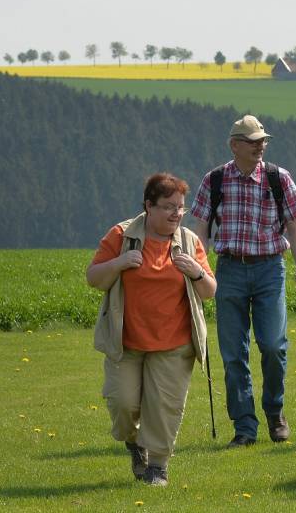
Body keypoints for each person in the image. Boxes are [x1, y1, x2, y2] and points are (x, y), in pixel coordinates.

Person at [189, 114, 296, 448]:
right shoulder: (214, 180)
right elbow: (200, 229)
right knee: (233, 354)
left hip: (270, 268)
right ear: (235, 145)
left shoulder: (278, 178)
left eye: (263, 141)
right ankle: (244, 427)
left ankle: (275, 411)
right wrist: (199, 270)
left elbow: (295, 226)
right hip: (228, 270)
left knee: (273, 345)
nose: (260, 146)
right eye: (253, 141)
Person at [87, 172, 217, 486]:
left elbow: (210, 290)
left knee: (165, 408)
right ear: (148, 206)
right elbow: (94, 278)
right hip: (127, 342)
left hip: (175, 343)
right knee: (123, 405)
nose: (176, 214)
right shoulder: (121, 235)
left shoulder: (188, 241)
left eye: (181, 208)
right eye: (168, 207)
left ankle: (157, 465)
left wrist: (197, 271)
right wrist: (118, 264)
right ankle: (134, 442)